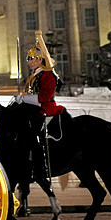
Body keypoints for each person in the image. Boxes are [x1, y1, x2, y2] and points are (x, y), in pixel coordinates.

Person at [11, 39, 67, 180]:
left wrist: (24, 99)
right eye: (28, 59)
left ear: (38, 60)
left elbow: (44, 97)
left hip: (45, 109)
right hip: (34, 109)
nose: (28, 61)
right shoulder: (34, 75)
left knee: (33, 133)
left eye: (31, 59)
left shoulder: (47, 74)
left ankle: (40, 163)